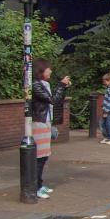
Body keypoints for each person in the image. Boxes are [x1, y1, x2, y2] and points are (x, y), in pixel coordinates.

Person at [32, 60, 71, 200]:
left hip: (46, 122)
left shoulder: (44, 84)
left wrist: (63, 87)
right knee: (38, 157)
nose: (51, 71)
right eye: (48, 69)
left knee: (44, 156)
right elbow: (53, 100)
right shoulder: (36, 85)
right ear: (41, 70)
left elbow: (56, 101)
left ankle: (39, 184)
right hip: (39, 123)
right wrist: (61, 85)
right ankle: (35, 188)